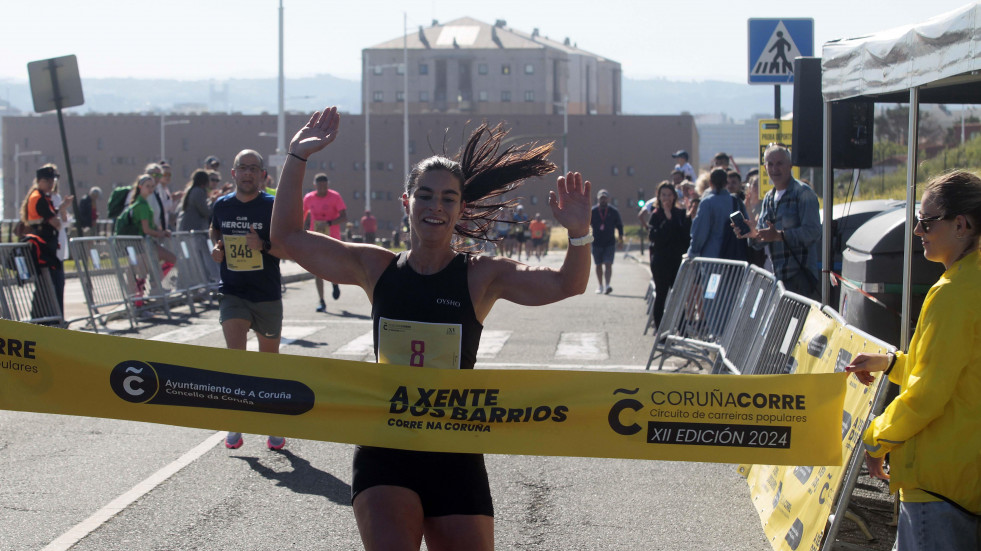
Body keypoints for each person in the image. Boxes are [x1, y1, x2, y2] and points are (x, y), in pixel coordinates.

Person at [270, 107, 591, 551]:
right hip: (386, 448)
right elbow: (285, 238)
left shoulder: (482, 276)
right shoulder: (375, 267)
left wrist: (580, 234)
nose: (434, 207)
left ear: (461, 209)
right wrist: (297, 157)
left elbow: (568, 284)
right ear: (407, 203)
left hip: (454, 451)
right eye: (424, 195)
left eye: (447, 198)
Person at [845, 170, 980, 550]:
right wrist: (890, 362)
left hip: (938, 480)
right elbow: (958, 371)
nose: (918, 231)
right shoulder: (971, 281)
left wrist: (876, 437)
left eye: (926, 222)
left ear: (962, 224)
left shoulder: (953, 293)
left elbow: (929, 393)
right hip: (963, 474)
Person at [210, 149, 289, 451]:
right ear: (233, 173)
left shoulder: (273, 206)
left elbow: (287, 249)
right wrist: (216, 250)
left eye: (253, 168)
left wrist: (263, 245)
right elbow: (215, 232)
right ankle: (236, 420)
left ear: (262, 175)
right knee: (236, 360)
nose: (247, 173)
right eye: (242, 168)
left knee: (268, 364)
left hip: (267, 295)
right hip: (233, 292)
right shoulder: (222, 205)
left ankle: (273, 422)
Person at [734, 144, 820, 299]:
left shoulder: (804, 194)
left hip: (800, 276)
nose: (775, 169)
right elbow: (763, 237)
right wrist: (752, 234)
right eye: (770, 164)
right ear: (765, 168)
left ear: (790, 165)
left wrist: (780, 235)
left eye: (780, 163)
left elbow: (813, 232)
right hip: (779, 278)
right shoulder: (768, 197)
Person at [20, 164, 65, 320]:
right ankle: (46, 318)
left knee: (47, 284)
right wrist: (60, 215)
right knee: (48, 283)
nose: (51, 183)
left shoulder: (42, 196)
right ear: (39, 181)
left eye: (53, 180)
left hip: (45, 245)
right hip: (43, 246)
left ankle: (47, 318)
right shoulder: (39, 198)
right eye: (47, 180)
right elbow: (56, 223)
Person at [648, 181, 690, 328]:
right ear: (658, 197)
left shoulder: (680, 214)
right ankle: (660, 328)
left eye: (669, 195)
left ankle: (682, 327)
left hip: (676, 260)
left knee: (678, 294)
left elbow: (684, 236)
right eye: (663, 195)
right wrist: (666, 218)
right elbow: (655, 237)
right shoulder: (655, 215)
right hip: (660, 261)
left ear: (674, 197)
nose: (666, 198)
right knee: (662, 294)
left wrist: (674, 218)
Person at [302, 173, 347, 312]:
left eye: (325, 185)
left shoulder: (335, 196)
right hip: (315, 238)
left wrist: (328, 223)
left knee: (333, 266)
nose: (322, 187)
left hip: (332, 237)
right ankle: (321, 300)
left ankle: (335, 283)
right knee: (317, 270)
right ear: (315, 185)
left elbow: (344, 217)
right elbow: (302, 216)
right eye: (319, 185)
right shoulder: (308, 198)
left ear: (328, 184)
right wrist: (300, 232)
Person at [114, 174, 177, 266]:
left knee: (143, 270)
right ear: (140, 187)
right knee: (172, 260)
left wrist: (161, 231)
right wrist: (159, 234)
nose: (150, 189)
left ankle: (152, 280)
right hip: (143, 244)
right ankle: (153, 280)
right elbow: (146, 229)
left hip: (143, 244)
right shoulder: (141, 205)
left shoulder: (143, 203)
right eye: (147, 186)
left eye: (152, 186)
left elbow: (150, 224)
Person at [688, 168, 748, 261]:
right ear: (726, 183)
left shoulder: (707, 202)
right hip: (735, 256)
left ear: (710, 183)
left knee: (713, 276)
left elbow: (700, 232)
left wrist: (693, 252)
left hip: (712, 257)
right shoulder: (736, 201)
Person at [590, 189, 624, 294]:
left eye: (605, 198)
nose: (603, 200)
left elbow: (619, 226)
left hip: (609, 242)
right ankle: (600, 285)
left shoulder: (613, 211)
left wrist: (620, 239)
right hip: (596, 242)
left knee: (608, 263)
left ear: (608, 199)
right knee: (598, 264)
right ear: (598, 199)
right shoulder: (593, 211)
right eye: (601, 198)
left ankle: (607, 285)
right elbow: (586, 225)